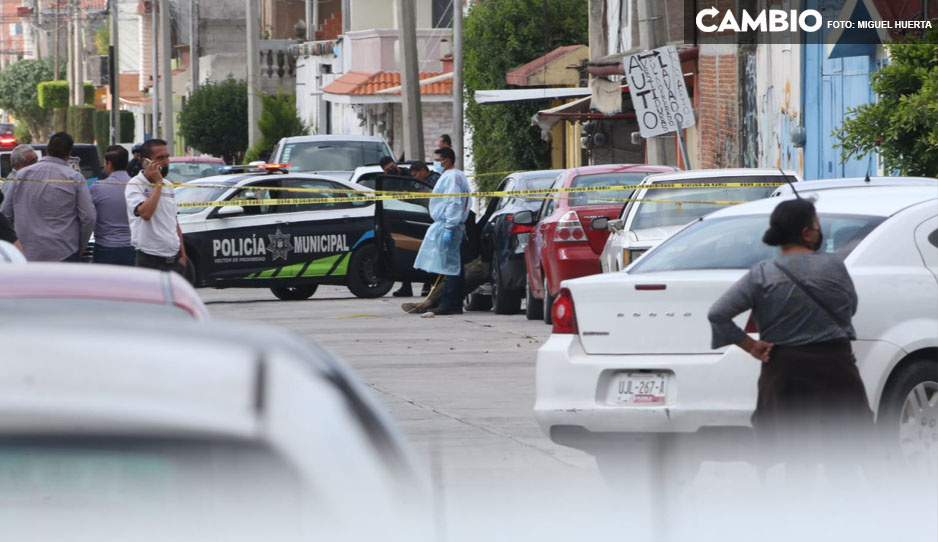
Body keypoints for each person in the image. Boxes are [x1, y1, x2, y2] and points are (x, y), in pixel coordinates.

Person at [707, 198, 873, 479]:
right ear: (807, 233)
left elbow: (718, 314)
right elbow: (851, 308)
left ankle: (798, 516)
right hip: (836, 370)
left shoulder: (761, 275)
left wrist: (752, 346)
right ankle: (845, 515)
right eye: (818, 226)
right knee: (843, 454)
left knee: (797, 457)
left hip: (786, 374)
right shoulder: (835, 267)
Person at [0, 132, 95, 262]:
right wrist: (81, 245)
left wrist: (13, 243)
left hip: (28, 252)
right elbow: (88, 217)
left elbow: (5, 213)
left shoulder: (22, 175)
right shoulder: (74, 178)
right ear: (69, 154)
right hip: (64, 252)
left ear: (47, 149)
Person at [412, 147, 471, 315]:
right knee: (452, 266)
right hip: (448, 223)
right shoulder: (454, 175)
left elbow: (453, 202)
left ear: (447, 160)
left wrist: (450, 227)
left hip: (449, 224)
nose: (436, 163)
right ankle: (452, 302)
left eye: (438, 159)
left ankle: (450, 303)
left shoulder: (452, 177)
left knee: (450, 267)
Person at [125, 138, 188, 274]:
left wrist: (183, 256)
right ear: (145, 162)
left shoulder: (168, 185)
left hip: (174, 259)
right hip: (150, 260)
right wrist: (158, 184)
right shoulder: (135, 185)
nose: (166, 162)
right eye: (160, 158)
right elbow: (146, 214)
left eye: (167, 157)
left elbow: (174, 221)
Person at [90, 145, 135, 266]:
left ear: (109, 163)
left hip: (105, 247)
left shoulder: (97, 187)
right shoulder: (137, 186)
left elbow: (88, 216)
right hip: (132, 247)